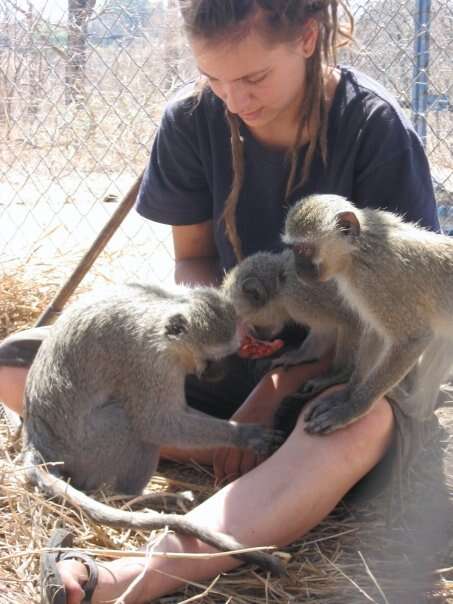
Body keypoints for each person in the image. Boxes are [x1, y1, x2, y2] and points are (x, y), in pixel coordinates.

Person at [0, 1, 440, 602]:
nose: (235, 100)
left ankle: (126, 576)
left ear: (308, 38)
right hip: (234, 351)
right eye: (214, 79)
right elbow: (194, 265)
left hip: (346, 373)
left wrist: (283, 385)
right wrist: (212, 345)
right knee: (19, 363)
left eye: (254, 78)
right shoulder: (190, 119)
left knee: (353, 428)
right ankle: (244, 457)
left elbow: (385, 329)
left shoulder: (373, 129)